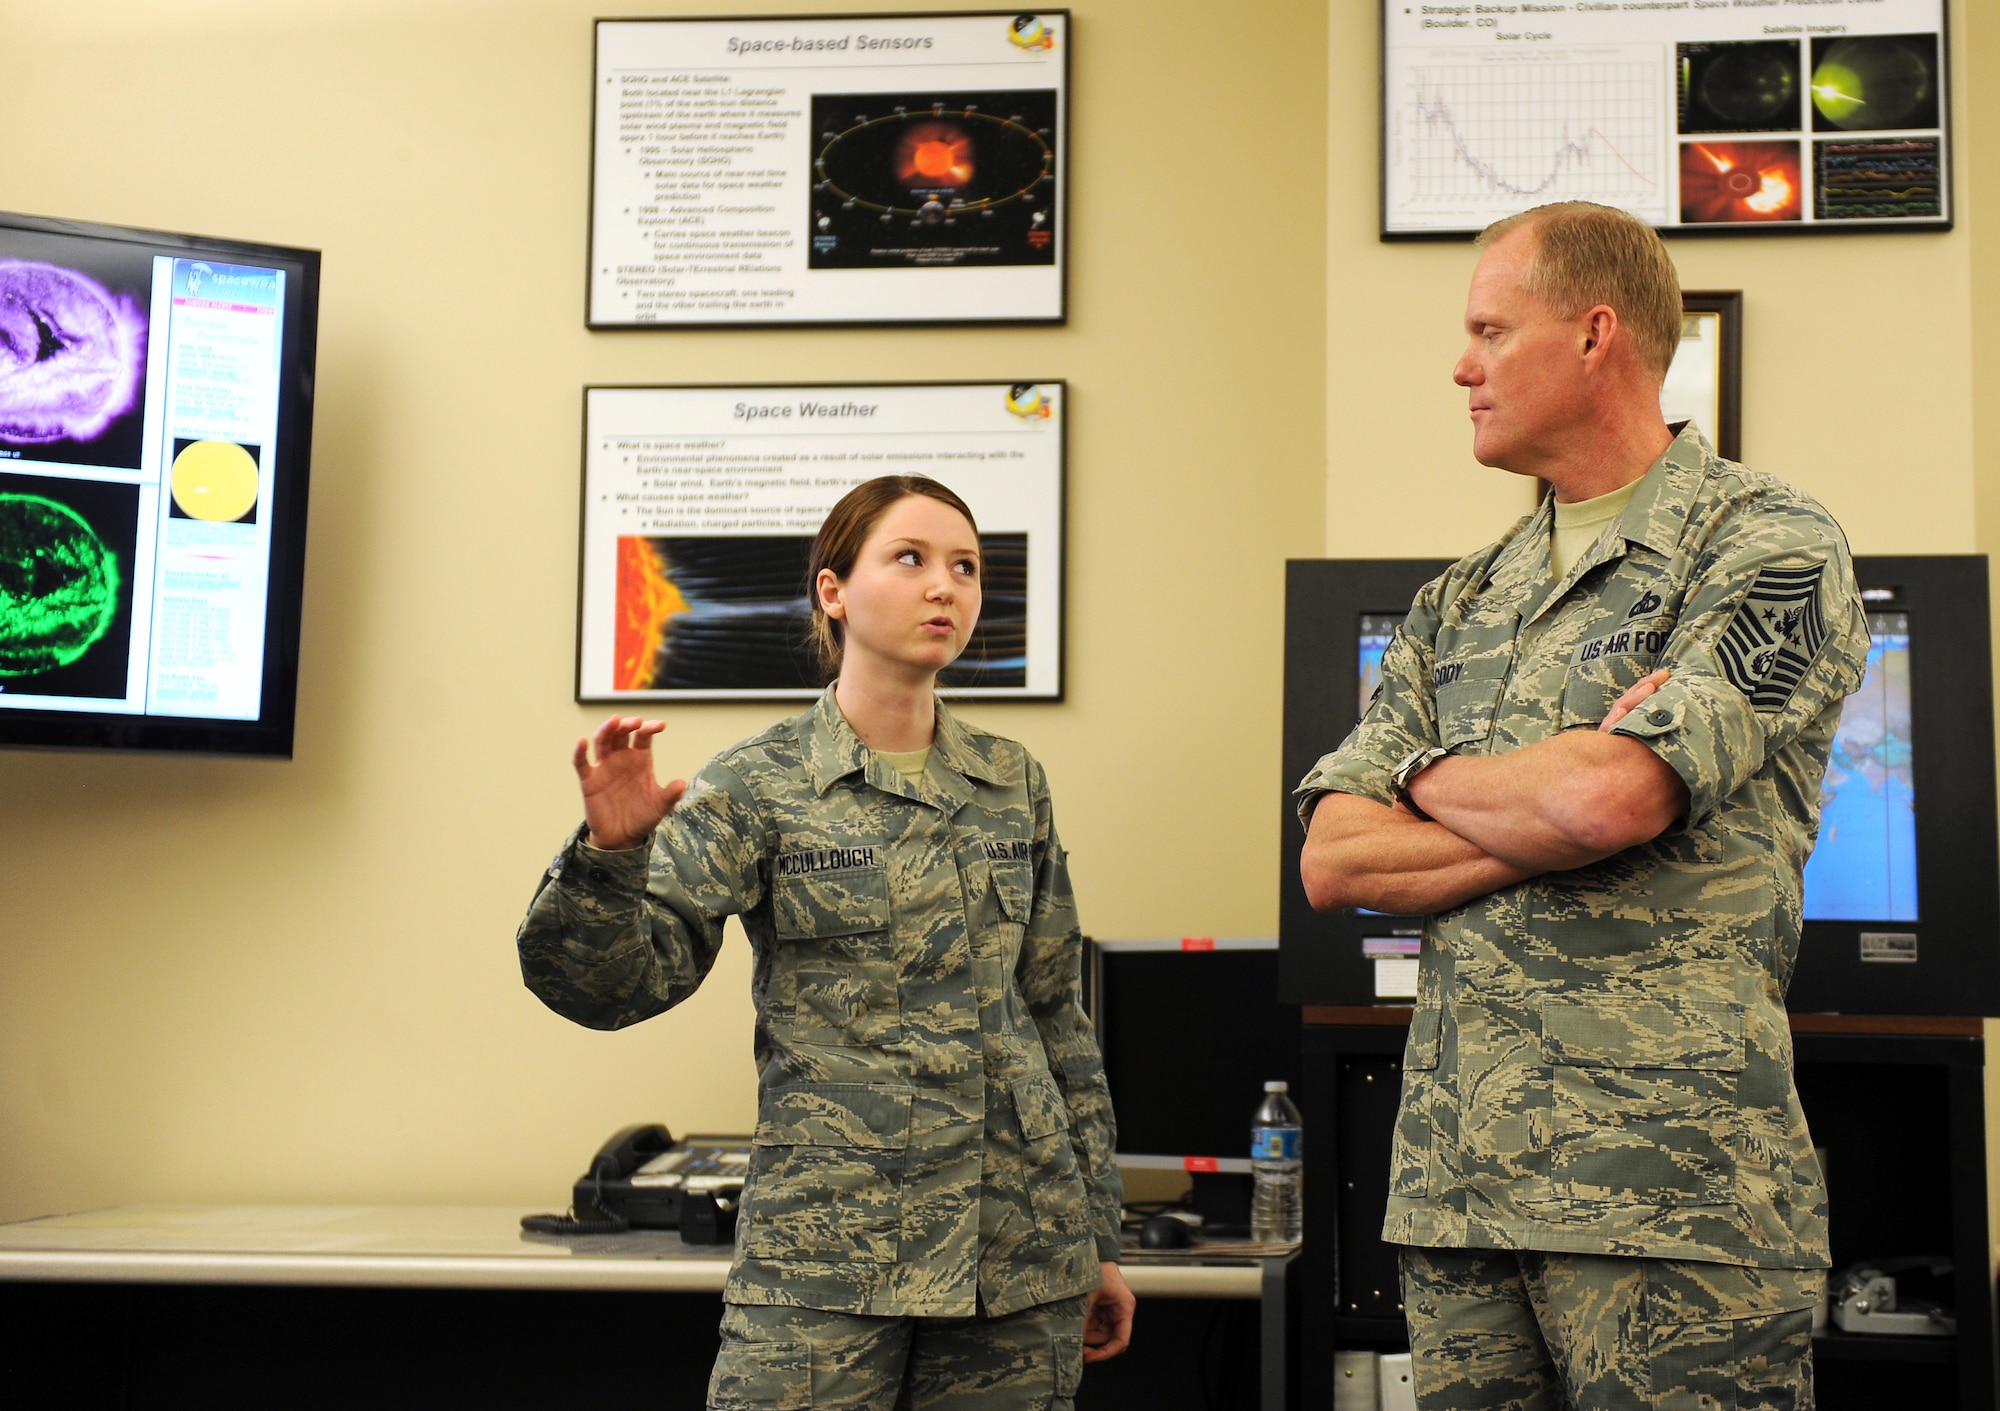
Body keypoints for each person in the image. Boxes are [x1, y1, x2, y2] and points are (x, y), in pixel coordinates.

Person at [1295, 202, 1869, 1409]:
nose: (1461, 364)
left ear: (1594, 332)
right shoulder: (1460, 596)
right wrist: (1501, 797)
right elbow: (1335, 857)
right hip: (1459, 1199)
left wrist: (1435, 783)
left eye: (1489, 330)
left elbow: (1612, 797)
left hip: (1672, 1200)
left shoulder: (1765, 543)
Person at [517, 475, 1134, 1411]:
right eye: (912, 558)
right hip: (826, 1267)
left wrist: (1099, 1237)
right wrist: (614, 853)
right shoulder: (758, 783)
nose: (946, 587)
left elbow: (1054, 1012)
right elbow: (615, 985)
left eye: (966, 567)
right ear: (833, 590)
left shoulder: (1012, 780)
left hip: (1014, 1263)